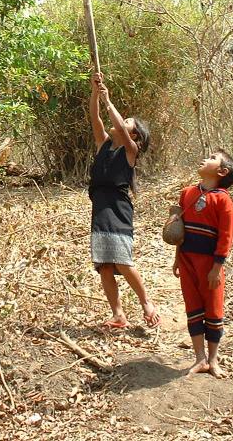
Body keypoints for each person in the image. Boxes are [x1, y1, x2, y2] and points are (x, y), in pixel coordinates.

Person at [89, 71, 160, 329]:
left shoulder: (131, 150)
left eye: (129, 121)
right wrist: (95, 92)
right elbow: (95, 118)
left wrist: (109, 101)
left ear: (136, 136)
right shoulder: (104, 144)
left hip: (118, 211)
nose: (123, 122)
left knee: (122, 260)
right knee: (104, 267)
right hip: (100, 208)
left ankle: (146, 303)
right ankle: (118, 314)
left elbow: (119, 126)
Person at [170, 150, 233, 378]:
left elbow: (225, 237)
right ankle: (199, 358)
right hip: (187, 260)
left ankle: (213, 359)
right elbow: (179, 230)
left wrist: (217, 267)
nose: (204, 158)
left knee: (213, 308)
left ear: (222, 171)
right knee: (192, 306)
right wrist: (177, 257)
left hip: (210, 265)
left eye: (211, 158)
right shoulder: (187, 193)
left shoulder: (223, 200)